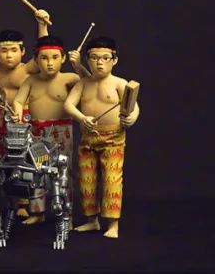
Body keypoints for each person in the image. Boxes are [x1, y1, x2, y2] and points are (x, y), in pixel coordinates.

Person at [63, 37, 138, 239]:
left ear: (114, 60)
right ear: (87, 60)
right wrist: (82, 118)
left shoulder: (119, 83)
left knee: (112, 180)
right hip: (88, 138)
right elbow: (68, 105)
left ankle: (113, 224)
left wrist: (131, 117)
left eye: (105, 58)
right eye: (94, 58)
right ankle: (91, 220)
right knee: (86, 181)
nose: (99, 63)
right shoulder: (83, 83)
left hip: (113, 138)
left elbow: (134, 106)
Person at [11, 35, 81, 224]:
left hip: (62, 132)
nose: (50, 63)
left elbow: (89, 86)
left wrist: (79, 67)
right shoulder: (31, 81)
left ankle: (66, 215)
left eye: (55, 57)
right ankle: (37, 213)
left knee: (63, 172)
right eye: (44, 58)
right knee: (36, 172)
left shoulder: (71, 79)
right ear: (36, 59)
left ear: (63, 58)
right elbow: (18, 100)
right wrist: (18, 112)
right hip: (36, 132)